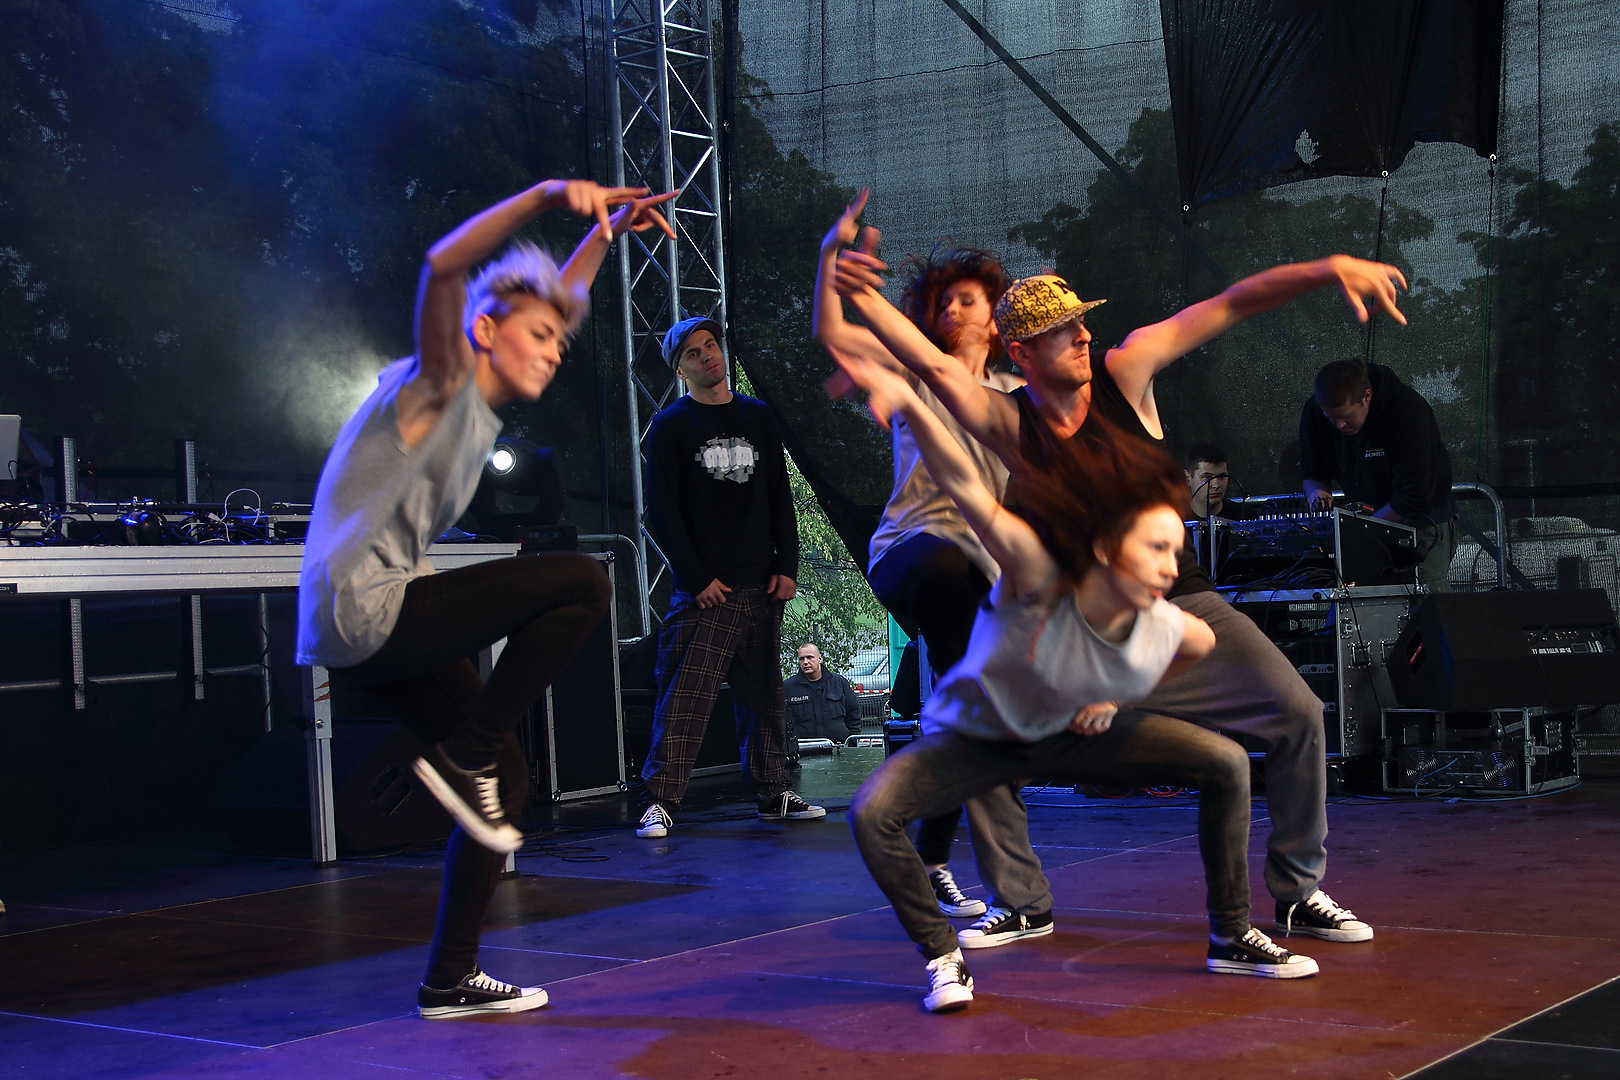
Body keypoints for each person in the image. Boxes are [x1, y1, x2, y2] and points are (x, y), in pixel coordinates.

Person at [835, 215, 1401, 951]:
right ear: (1021, 352)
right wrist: (862, 297)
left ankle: (1297, 891)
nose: (1083, 337)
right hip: (1081, 631)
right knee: (985, 722)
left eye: (1081, 323)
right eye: (1062, 331)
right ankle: (1022, 901)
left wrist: (1328, 268)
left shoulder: (1126, 371)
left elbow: (1229, 303)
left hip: (1180, 604)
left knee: (1297, 712)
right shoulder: (1010, 422)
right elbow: (932, 367)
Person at [834, 345, 1316, 1013]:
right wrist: (911, 406)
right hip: (983, 740)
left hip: (1066, 737)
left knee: (1228, 763)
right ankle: (945, 956)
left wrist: (1113, 694)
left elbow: (1198, 641)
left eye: (1173, 552)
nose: (1166, 567)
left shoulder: (1161, 621)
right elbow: (964, 483)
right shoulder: (1036, 567)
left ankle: (1231, 935)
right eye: (1155, 550)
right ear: (1108, 550)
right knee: (872, 813)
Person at [296, 179, 675, 1018]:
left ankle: (449, 978)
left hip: (366, 616)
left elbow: (559, 301)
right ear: (484, 331)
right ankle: (466, 754)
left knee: (507, 778)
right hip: (366, 606)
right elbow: (443, 265)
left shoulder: (483, 392)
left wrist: (606, 236)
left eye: (559, 341)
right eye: (538, 337)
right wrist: (547, 196)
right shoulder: (439, 383)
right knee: (582, 581)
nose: (555, 350)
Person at [814, 192, 1020, 919]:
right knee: (946, 577)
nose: (957, 310)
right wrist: (829, 258)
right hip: (910, 552)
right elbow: (832, 329)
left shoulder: (1016, 392)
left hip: (983, 570)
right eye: (946, 301)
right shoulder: (910, 372)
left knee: (975, 715)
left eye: (971, 300)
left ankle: (932, 856)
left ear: (996, 317)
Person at [634, 315, 825, 838]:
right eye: (694, 353)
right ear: (681, 369)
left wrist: (786, 565)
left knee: (764, 697)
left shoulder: (757, 416)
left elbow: (779, 494)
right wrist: (696, 578)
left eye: (711, 345)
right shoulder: (671, 426)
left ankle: (773, 792)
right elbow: (662, 512)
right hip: (707, 591)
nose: (707, 356)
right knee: (685, 697)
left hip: (760, 582)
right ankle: (658, 800)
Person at [1299, 358, 1456, 589]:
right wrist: (1317, 494)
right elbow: (1313, 473)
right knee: (1363, 599)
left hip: (1421, 522)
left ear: (1367, 397)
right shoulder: (1314, 412)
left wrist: (1361, 530)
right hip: (1367, 526)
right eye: (1331, 419)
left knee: (1423, 599)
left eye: (1347, 417)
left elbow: (1413, 497)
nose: (1340, 426)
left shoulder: (1408, 411)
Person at [784, 643, 863, 757]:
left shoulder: (839, 683)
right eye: (801, 659)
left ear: (819, 658)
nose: (805, 662)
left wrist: (851, 742)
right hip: (803, 752)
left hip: (838, 750)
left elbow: (853, 712)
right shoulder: (788, 687)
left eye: (810, 657)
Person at [1185, 443, 1252, 520]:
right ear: (1187, 478)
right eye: (1207, 477)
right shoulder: (1176, 519)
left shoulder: (1245, 516)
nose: (1216, 485)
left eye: (1222, 476)